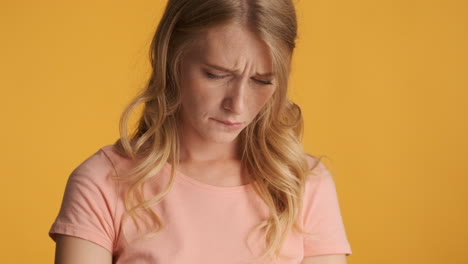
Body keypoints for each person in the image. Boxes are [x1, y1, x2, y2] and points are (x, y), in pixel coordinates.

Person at [48, 0, 352, 263]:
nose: (238, 104)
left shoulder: (303, 186)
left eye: (262, 80)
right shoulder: (103, 182)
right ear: (171, 57)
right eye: (216, 75)